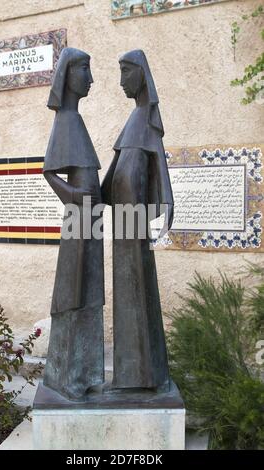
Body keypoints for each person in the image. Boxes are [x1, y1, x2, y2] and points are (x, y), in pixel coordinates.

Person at [101, 50, 174, 391]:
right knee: (128, 291)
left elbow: (157, 158)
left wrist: (169, 199)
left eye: (125, 73)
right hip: (122, 220)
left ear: (140, 75)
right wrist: (91, 196)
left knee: (137, 291)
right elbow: (115, 172)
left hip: (133, 221)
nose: (120, 81)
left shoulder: (146, 117)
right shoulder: (133, 119)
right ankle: (132, 373)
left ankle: (142, 373)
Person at [43, 48, 104, 400]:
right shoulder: (66, 120)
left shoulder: (76, 121)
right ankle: (69, 376)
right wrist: (75, 196)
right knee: (76, 290)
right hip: (79, 223)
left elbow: (91, 178)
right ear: (69, 75)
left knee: (91, 290)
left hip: (90, 221)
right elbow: (50, 172)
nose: (90, 79)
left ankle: (88, 372)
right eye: (85, 70)